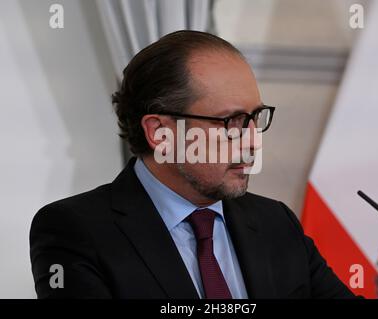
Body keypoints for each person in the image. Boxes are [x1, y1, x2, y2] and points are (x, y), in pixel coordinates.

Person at [30, 30, 356, 299]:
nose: (253, 140)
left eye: (255, 117)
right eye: (231, 121)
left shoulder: (276, 223)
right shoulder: (75, 230)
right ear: (160, 133)